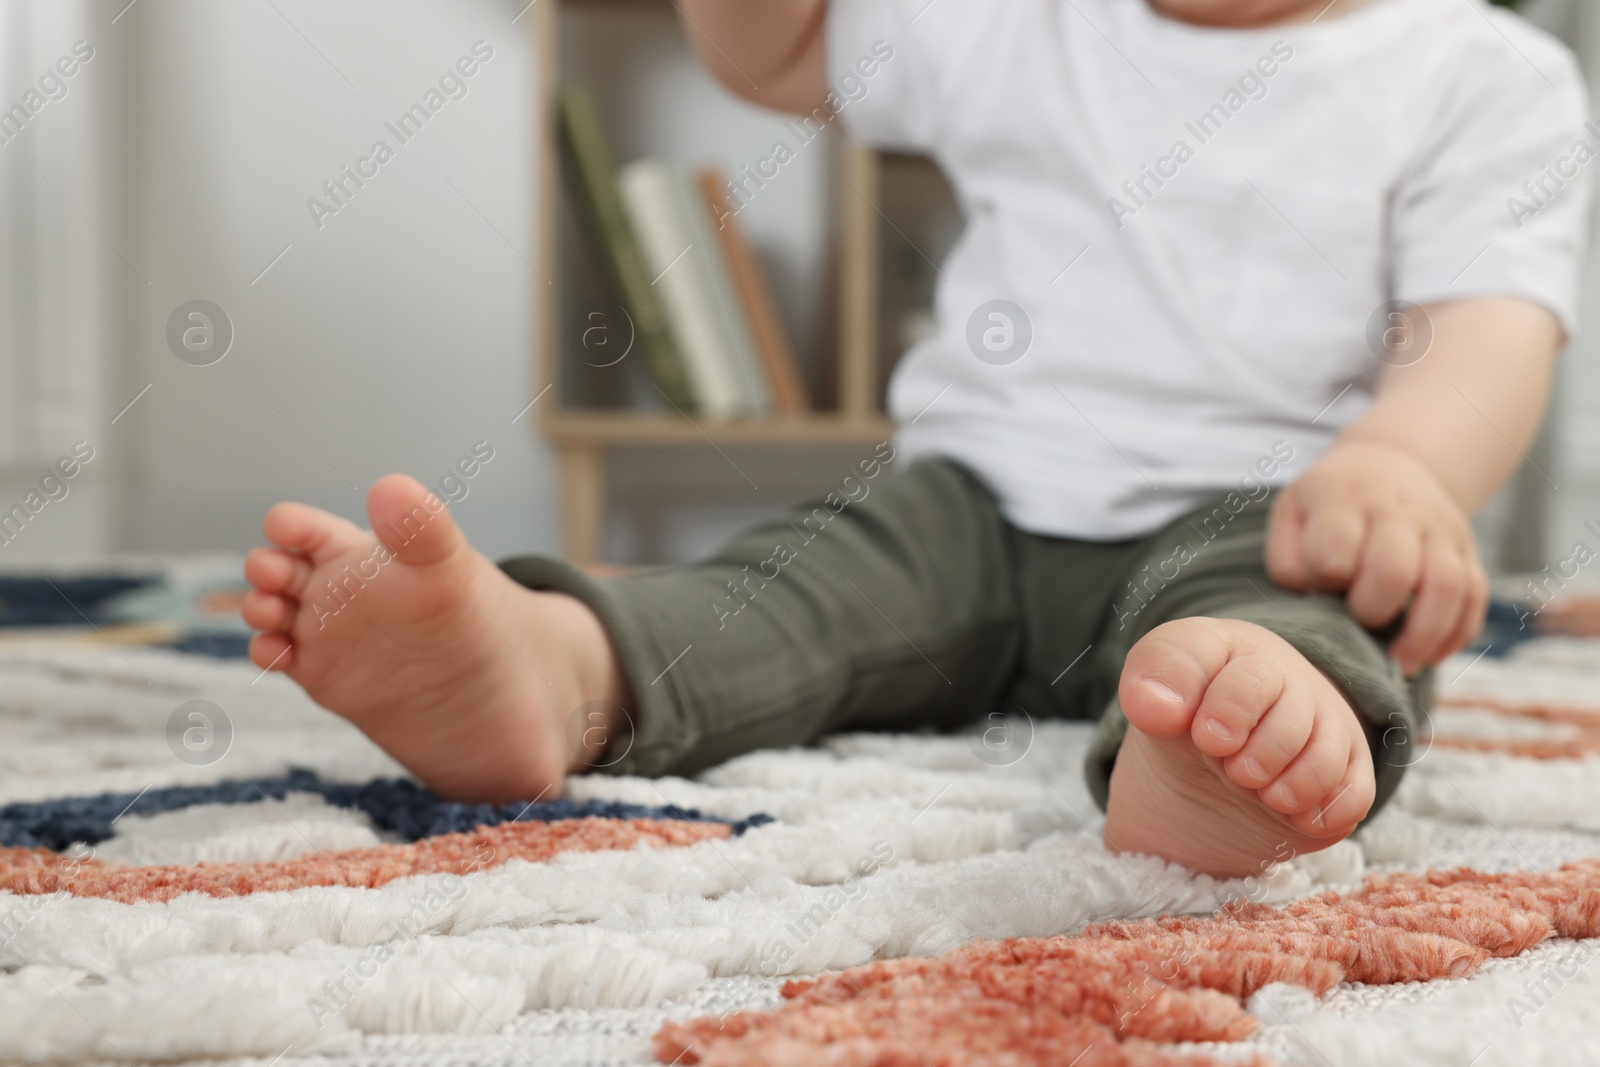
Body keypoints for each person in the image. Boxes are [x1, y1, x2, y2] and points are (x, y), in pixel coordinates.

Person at [239, 0, 1591, 877]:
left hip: (1268, 513)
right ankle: (552, 667)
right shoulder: (1019, 21)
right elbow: (772, 53)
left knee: (1304, 626)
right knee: (793, 585)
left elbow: (1488, 325)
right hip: (975, 505)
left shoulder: (1479, 72)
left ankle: (1220, 749)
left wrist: (1402, 469)